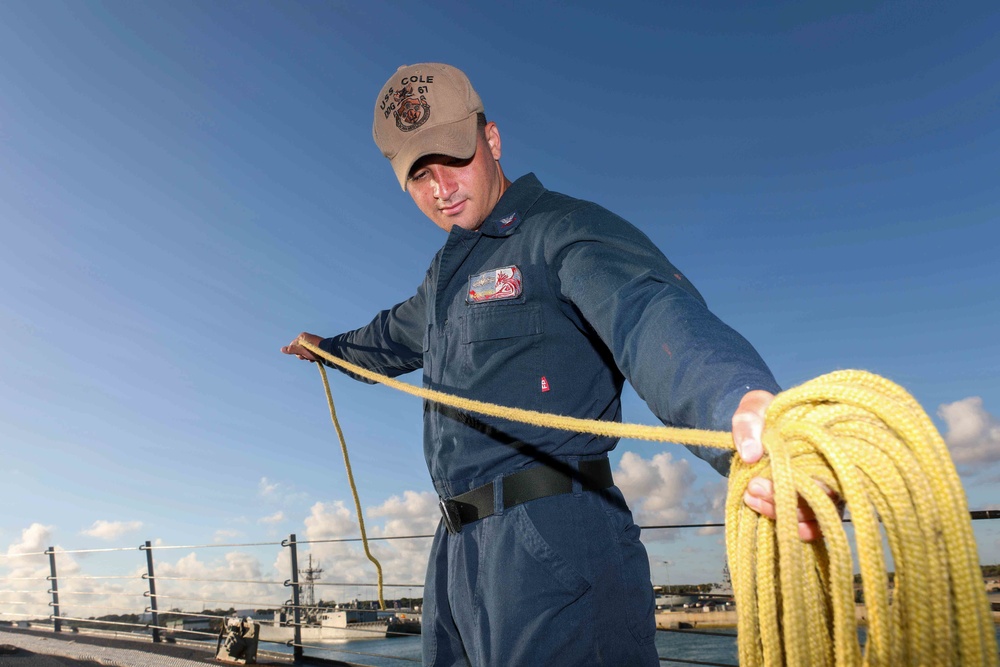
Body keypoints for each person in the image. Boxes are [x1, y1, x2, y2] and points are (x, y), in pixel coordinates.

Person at [282, 63, 805, 666]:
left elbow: (647, 311)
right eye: (420, 175)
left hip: (552, 542)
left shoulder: (562, 231)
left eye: (453, 158)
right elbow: (388, 338)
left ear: (493, 141)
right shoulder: (442, 282)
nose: (441, 188)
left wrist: (738, 405)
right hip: (455, 554)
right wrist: (326, 348)